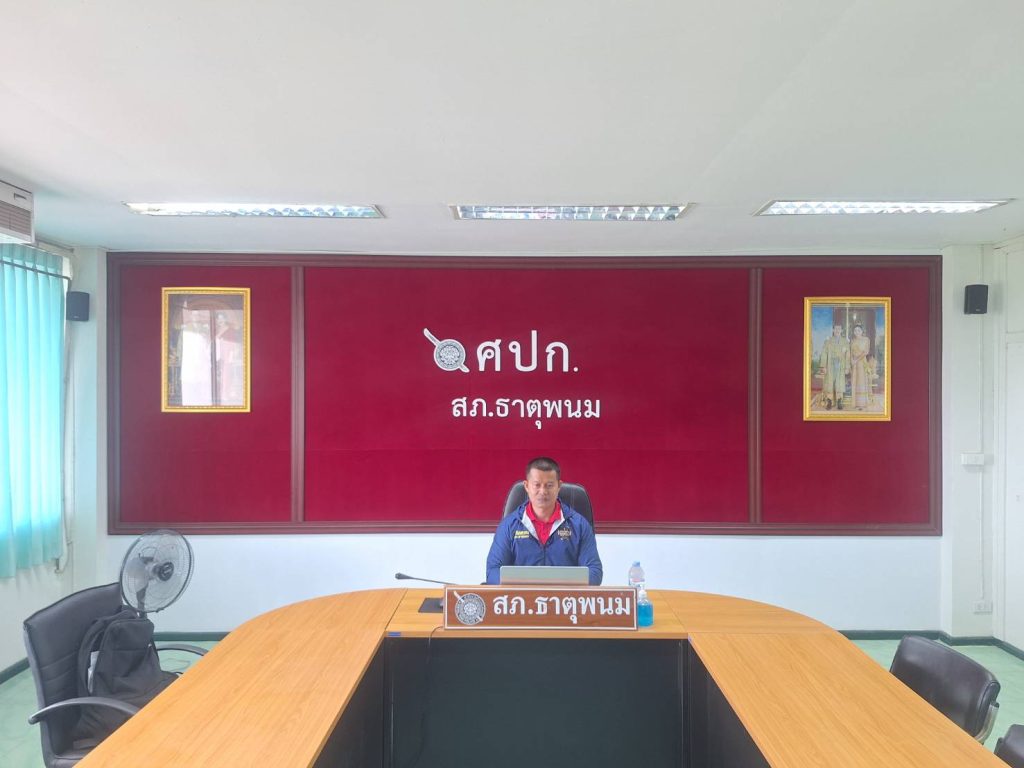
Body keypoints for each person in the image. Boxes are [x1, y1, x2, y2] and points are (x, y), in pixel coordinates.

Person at [486, 457, 603, 585]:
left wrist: (560, 586)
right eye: (537, 485)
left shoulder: (579, 525)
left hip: (565, 596)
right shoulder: (509, 525)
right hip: (521, 596)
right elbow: (492, 572)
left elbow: (594, 573)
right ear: (526, 486)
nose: (543, 491)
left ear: (559, 486)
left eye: (549, 485)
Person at [817, 324, 850, 410]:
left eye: (839, 329)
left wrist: (847, 367)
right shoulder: (828, 341)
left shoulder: (845, 342)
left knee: (840, 383)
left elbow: (848, 355)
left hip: (841, 365)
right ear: (833, 330)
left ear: (841, 330)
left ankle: (839, 401)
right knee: (829, 383)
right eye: (836, 329)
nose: (837, 330)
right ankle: (829, 401)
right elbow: (824, 353)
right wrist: (823, 366)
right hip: (830, 365)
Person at [849, 323, 872, 410]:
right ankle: (855, 403)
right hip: (854, 364)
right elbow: (850, 352)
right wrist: (852, 360)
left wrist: (856, 360)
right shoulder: (852, 341)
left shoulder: (866, 340)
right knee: (855, 381)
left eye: (859, 330)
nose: (857, 332)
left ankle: (862, 404)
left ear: (862, 331)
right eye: (855, 330)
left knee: (861, 381)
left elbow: (866, 352)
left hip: (862, 363)